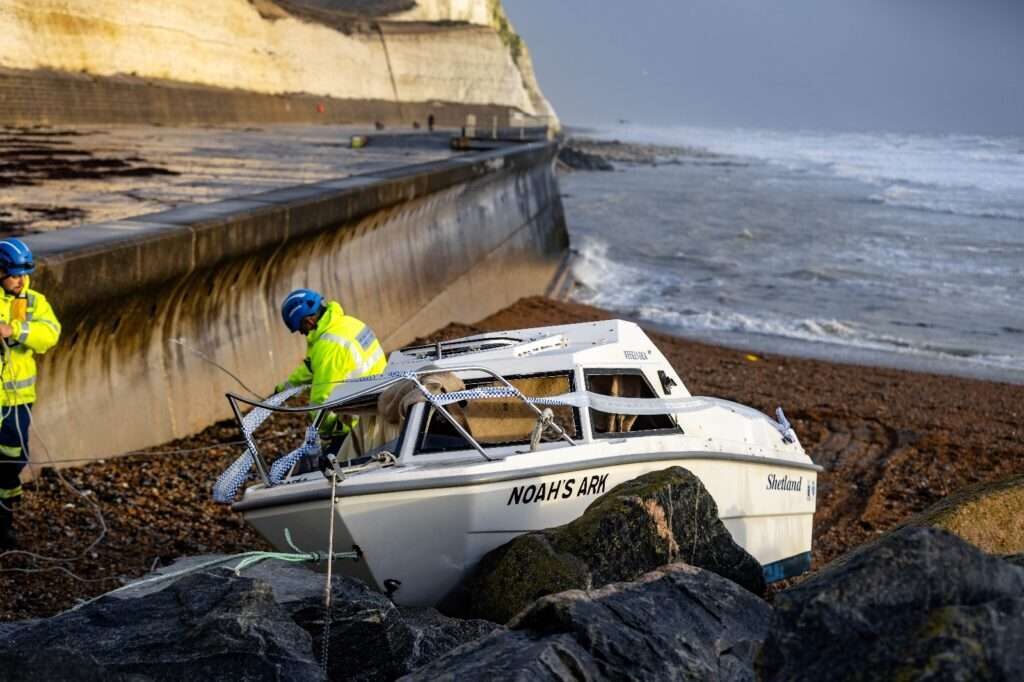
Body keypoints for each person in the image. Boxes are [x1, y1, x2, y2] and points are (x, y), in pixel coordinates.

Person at [0, 238, 60, 549]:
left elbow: (50, 334)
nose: (21, 280)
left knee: (12, 460)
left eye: (25, 273)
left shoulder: (34, 301)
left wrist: (15, 331)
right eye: (14, 274)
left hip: (17, 400)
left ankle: (5, 520)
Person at [275, 289, 386, 448]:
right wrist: (282, 390)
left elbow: (320, 402)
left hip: (358, 422)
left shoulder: (328, 347)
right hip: (382, 400)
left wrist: (326, 430)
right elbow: (312, 367)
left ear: (308, 321)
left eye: (301, 329)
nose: (302, 333)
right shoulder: (348, 323)